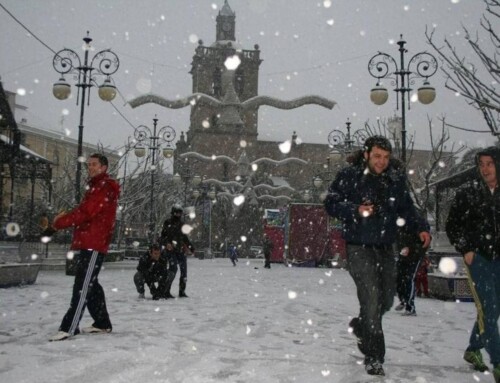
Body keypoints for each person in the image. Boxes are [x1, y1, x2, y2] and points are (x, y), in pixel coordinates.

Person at [324, 136, 431, 376]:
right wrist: (354, 210)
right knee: (371, 298)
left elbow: (406, 207)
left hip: (385, 246)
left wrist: (421, 227)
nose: (382, 162)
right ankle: (374, 356)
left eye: (385, 157)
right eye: (377, 156)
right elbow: (331, 203)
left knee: (386, 300)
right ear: (366, 155)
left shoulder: (395, 179)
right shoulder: (350, 176)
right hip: (358, 246)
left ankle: (363, 326)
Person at [48, 153, 120, 342]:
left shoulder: (103, 187)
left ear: (104, 167)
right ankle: (102, 323)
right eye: (89, 165)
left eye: (94, 164)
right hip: (89, 241)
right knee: (90, 284)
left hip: (94, 242)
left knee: (83, 286)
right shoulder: (97, 187)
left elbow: (85, 212)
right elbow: (86, 212)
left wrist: (58, 223)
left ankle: (69, 327)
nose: (90, 168)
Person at [445, 146, 500, 381]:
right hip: (478, 259)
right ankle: (498, 362)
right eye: (482, 164)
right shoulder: (468, 193)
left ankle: (472, 349)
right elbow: (453, 225)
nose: (485, 169)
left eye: (489, 163)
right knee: (488, 309)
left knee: (492, 311)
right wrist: (466, 249)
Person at [160, 204, 194, 298]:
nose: (178, 214)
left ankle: (182, 291)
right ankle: (166, 290)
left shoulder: (182, 224)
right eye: (176, 212)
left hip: (180, 250)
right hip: (170, 250)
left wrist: (191, 247)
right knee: (173, 269)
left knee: (184, 271)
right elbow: (163, 236)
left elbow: (185, 237)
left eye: (180, 213)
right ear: (173, 213)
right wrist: (167, 243)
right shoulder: (167, 222)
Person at [395, 223, 430, 316]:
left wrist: (413, 249)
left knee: (409, 279)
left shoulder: (418, 223)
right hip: (403, 255)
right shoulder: (401, 224)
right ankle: (403, 300)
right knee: (399, 278)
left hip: (414, 256)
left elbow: (426, 241)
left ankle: (410, 307)